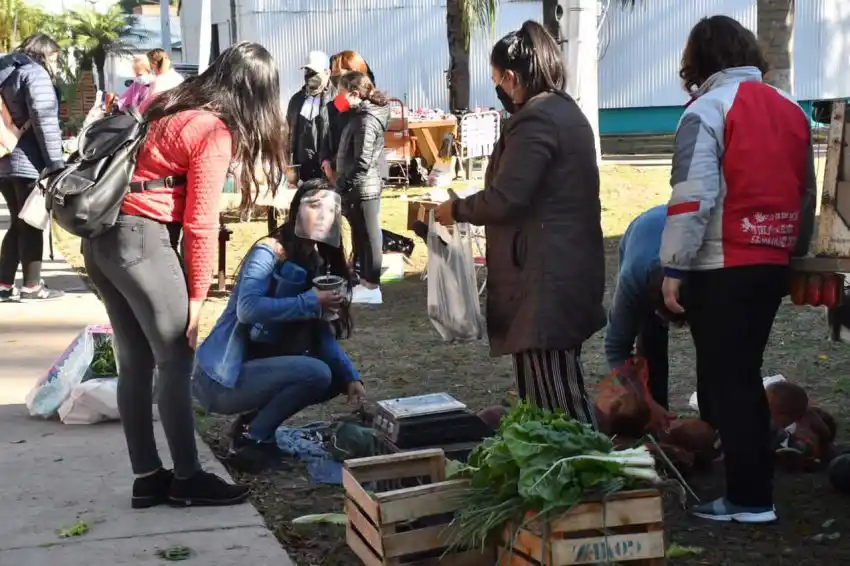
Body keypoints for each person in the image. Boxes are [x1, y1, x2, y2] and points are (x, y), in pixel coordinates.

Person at [81, 42, 289, 508]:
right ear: (257, 94)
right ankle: (188, 479)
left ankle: (148, 477)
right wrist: (198, 301)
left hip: (102, 241)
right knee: (176, 359)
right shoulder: (212, 130)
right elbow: (200, 225)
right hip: (140, 242)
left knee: (135, 361)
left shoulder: (170, 107)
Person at [659, 16, 816, 523]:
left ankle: (750, 498)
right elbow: (807, 191)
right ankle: (748, 489)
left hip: (721, 261)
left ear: (698, 62)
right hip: (772, 260)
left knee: (730, 382)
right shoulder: (791, 108)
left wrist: (673, 267)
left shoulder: (706, 110)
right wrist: (796, 255)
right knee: (740, 374)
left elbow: (691, 197)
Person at [434, 20, 605, 425]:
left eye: (497, 80)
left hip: (545, 278)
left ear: (510, 77)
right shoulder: (564, 110)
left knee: (560, 403)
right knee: (544, 399)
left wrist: (455, 209)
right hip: (557, 268)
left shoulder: (537, 119)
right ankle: (565, 471)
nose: (498, 89)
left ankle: (592, 477)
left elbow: (507, 198)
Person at [193, 180, 366, 473]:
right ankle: (252, 439)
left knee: (333, 376)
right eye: (314, 206)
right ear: (296, 209)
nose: (323, 214)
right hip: (222, 380)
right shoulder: (269, 251)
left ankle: (253, 424)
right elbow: (247, 310)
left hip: (255, 372)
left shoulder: (315, 260)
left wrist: (351, 377)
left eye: (331, 208)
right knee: (316, 373)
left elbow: (319, 333)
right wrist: (310, 301)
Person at [0, 33, 65, 302]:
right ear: (44, 53)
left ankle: (4, 285)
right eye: (54, 58)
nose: (55, 64)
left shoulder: (5, 69)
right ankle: (32, 287)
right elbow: (44, 119)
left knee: (18, 222)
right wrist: (56, 162)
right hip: (27, 160)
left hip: (3, 157)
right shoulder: (34, 73)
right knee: (32, 222)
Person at [604, 205, 684, 411]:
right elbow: (616, 348)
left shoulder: (703, 275)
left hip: (682, 226)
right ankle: (655, 412)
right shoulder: (632, 280)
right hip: (644, 228)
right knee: (650, 341)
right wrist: (642, 399)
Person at [335, 71, 389, 305]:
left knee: (369, 235)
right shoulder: (358, 115)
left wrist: (343, 184)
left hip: (364, 187)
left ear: (355, 93)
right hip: (356, 188)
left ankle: (372, 285)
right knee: (360, 234)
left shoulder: (367, 119)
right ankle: (363, 278)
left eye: (341, 92)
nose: (338, 97)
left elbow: (363, 162)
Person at [322, 50, 375, 184]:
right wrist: (326, 160)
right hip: (336, 174)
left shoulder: (368, 111)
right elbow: (326, 137)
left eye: (341, 71)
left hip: (359, 180)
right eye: (333, 71)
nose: (336, 75)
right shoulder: (332, 107)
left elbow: (363, 155)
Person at [286, 51, 334, 183]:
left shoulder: (337, 100)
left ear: (327, 73)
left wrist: (331, 163)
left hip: (327, 169)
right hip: (301, 169)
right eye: (307, 71)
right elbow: (288, 132)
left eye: (314, 72)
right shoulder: (296, 100)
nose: (309, 76)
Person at [139, 48, 184, 112]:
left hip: (161, 117)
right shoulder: (179, 77)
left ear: (153, 64)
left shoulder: (158, 81)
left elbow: (149, 105)